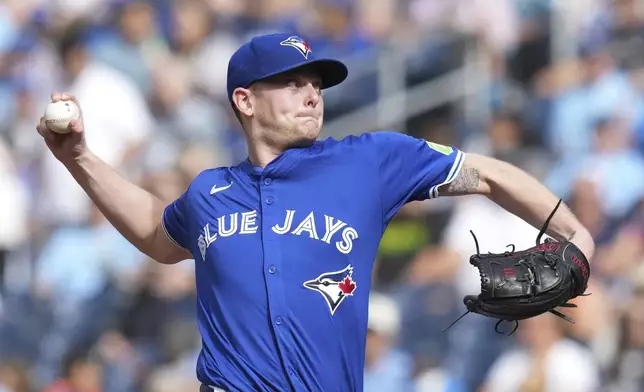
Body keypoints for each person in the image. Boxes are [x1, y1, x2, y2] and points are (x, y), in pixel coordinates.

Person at [36, 33, 595, 391]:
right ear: (244, 100)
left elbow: (491, 174)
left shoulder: (368, 161)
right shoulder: (211, 193)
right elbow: (159, 234)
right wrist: (79, 156)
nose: (312, 94)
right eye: (291, 81)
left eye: (316, 84)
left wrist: (573, 233)